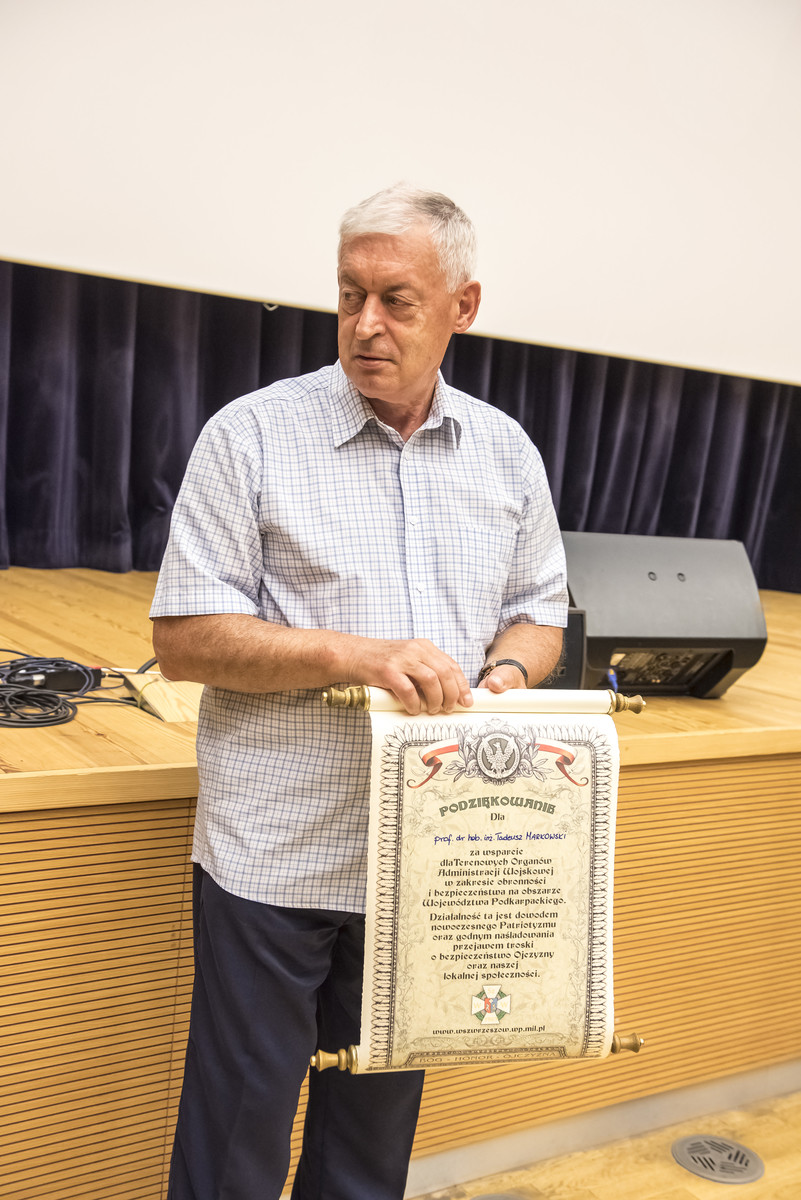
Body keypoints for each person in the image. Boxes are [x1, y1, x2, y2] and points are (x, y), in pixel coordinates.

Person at [150, 183, 568, 1200]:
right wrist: (357, 656)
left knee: (367, 1157)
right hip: (277, 856)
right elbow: (184, 639)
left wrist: (504, 677)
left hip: (425, 858)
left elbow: (538, 612)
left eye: (396, 300)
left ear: (463, 307)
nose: (366, 324)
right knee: (234, 1147)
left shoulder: (506, 452)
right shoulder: (250, 435)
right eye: (349, 296)